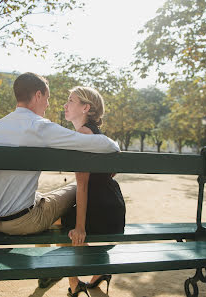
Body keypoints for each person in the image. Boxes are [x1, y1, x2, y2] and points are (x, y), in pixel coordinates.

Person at [0, 73, 120, 287]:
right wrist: (115, 146)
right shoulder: (40, 126)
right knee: (75, 188)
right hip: (21, 222)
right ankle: (56, 267)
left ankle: (58, 271)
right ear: (37, 95)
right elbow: (106, 146)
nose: (48, 104)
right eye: (47, 97)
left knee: (44, 199)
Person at [61, 86, 126, 297]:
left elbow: (82, 184)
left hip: (98, 210)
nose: (65, 105)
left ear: (86, 108)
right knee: (61, 221)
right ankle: (97, 271)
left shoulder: (82, 134)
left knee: (57, 224)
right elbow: (113, 171)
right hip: (114, 208)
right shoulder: (98, 135)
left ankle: (74, 283)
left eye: (71, 100)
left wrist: (79, 227)